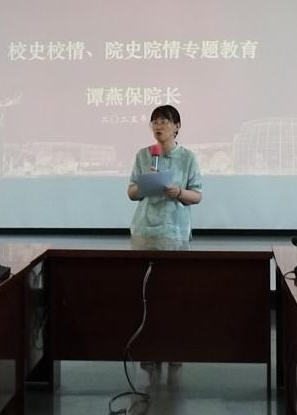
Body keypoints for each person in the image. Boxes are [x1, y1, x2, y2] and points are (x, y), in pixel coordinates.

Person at [125, 104, 203, 385]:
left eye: (164, 122)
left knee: (174, 295)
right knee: (146, 294)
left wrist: (178, 192)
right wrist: (145, 185)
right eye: (155, 122)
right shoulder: (144, 155)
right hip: (145, 232)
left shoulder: (188, 158)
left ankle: (174, 350)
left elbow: (197, 196)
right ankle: (148, 351)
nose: (159, 126)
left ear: (177, 126)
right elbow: (131, 192)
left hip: (174, 234)